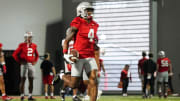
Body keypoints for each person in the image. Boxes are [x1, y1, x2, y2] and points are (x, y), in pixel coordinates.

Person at [57, 2, 99, 101]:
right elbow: (67, 41)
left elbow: (93, 39)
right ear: (81, 11)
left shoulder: (94, 24)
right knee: (73, 84)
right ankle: (61, 75)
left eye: (91, 10)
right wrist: (65, 54)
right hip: (78, 56)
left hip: (90, 56)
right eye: (87, 10)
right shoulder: (77, 22)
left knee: (94, 80)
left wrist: (95, 44)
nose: (90, 12)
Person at [13, 31, 39, 101]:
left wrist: (35, 61)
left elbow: (37, 55)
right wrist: (19, 61)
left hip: (31, 64)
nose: (30, 38)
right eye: (29, 37)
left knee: (31, 80)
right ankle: (22, 96)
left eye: (31, 37)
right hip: (24, 64)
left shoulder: (34, 45)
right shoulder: (22, 45)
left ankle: (30, 96)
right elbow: (15, 54)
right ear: (26, 37)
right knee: (23, 80)